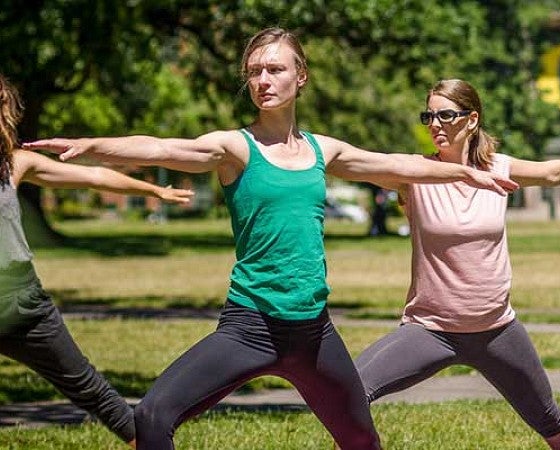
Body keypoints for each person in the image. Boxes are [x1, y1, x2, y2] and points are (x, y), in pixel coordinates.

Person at [25, 29, 518, 450]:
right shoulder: (235, 148)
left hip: (314, 335)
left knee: (363, 442)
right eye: (255, 71)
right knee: (154, 416)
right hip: (251, 327)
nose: (264, 80)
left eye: (276, 69)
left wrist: (466, 175)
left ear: (299, 76)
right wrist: (92, 146)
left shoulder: (321, 150)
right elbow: (163, 147)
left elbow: (393, 164)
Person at [354, 79, 560, 450]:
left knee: (551, 420)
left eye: (446, 115)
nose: (435, 125)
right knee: (349, 394)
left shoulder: (498, 167)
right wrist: (299, 149)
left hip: (497, 330)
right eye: (429, 116)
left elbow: (550, 173)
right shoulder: (414, 172)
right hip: (431, 329)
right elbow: (354, 163)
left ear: (471, 120)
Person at [0, 74, 193, 447]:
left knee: (96, 393)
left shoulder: (15, 164)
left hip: (24, 305)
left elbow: (92, 176)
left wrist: (153, 189)